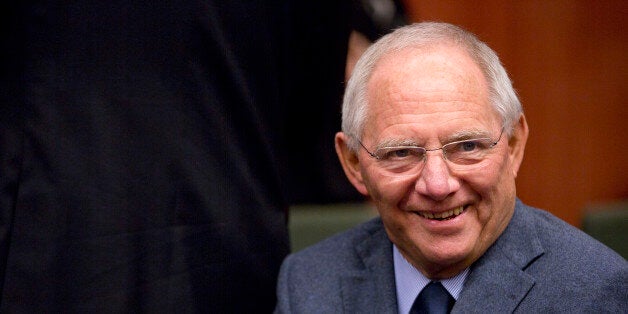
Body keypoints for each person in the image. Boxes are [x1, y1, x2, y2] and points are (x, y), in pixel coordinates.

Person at [274, 22, 628, 313]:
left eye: (467, 147)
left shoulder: (595, 294)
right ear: (353, 163)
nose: (438, 185)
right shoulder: (308, 285)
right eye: (401, 153)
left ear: (514, 146)